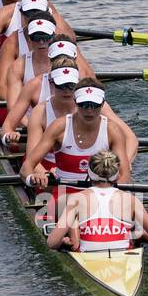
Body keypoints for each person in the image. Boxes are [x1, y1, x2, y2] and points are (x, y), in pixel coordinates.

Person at [19, 78, 133, 208]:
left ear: (102, 104)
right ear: (75, 103)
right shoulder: (59, 127)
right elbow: (26, 167)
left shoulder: (112, 131)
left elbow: (124, 175)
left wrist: (108, 194)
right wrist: (33, 178)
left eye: (94, 105)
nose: (89, 111)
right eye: (84, 105)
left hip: (100, 197)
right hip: (63, 198)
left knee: (139, 220)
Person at [46, 150, 148, 252]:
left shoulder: (76, 199)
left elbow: (52, 243)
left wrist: (63, 242)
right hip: (123, 256)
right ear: (117, 176)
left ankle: (78, 242)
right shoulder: (131, 200)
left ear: (89, 173)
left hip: (88, 257)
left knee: (74, 227)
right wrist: (142, 235)